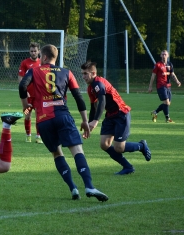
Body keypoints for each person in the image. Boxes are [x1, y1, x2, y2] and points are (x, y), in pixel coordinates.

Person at [19, 44, 108, 202]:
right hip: (62, 116)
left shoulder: (34, 71)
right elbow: (78, 98)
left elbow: (22, 87)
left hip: (43, 120)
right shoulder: (67, 72)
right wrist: (86, 121)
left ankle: (73, 188)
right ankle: (88, 186)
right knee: (77, 150)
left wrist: (25, 110)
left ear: (44, 57)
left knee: (57, 153)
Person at [81, 61, 151, 175]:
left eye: (85, 74)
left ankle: (141, 146)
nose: (83, 77)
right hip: (110, 115)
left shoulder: (98, 83)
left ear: (93, 73)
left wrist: (95, 121)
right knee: (104, 144)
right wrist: (89, 125)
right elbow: (94, 107)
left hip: (121, 113)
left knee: (119, 147)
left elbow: (102, 102)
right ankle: (128, 167)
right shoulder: (90, 88)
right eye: (82, 74)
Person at [18, 42, 42, 144]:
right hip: (27, 96)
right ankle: (28, 136)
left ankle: (38, 136)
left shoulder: (42, 63)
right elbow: (20, 79)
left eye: (35, 51)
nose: (33, 53)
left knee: (39, 115)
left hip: (38, 95)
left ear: (38, 51)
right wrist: (25, 91)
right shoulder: (25, 63)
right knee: (27, 115)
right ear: (29, 51)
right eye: (31, 51)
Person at [148, 50, 181, 123]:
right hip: (161, 86)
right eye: (162, 54)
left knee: (168, 103)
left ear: (168, 55)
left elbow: (172, 74)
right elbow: (153, 76)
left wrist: (177, 81)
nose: (164, 56)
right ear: (160, 56)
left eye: (165, 54)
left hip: (168, 86)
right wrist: (150, 86)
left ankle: (155, 112)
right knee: (166, 102)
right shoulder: (157, 65)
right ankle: (167, 118)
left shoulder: (170, 64)